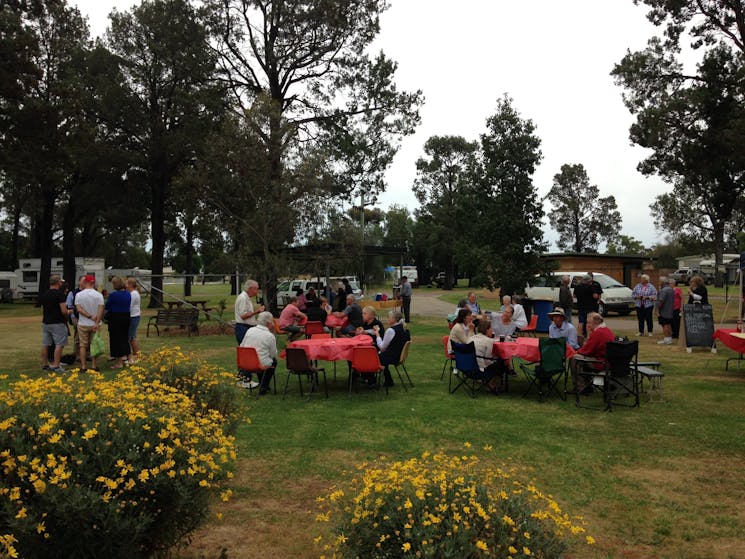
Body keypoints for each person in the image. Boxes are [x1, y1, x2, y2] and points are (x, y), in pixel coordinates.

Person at [569, 312, 615, 393]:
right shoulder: (606, 330)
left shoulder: (598, 332)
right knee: (580, 358)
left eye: (589, 322)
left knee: (574, 358)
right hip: (609, 361)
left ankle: (581, 387)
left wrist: (575, 352)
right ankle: (587, 384)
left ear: (595, 323)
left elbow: (586, 351)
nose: (588, 325)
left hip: (602, 363)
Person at [239, 311, 277, 395]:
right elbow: (273, 354)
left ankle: (263, 384)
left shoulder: (250, 330)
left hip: (245, 362)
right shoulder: (269, 336)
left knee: (263, 359)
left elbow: (242, 345)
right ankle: (264, 385)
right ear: (268, 323)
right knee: (273, 361)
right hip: (259, 364)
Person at [40, 274, 70, 372]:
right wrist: (69, 313)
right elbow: (64, 311)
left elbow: (42, 309)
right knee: (59, 344)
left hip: (46, 322)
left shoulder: (45, 294)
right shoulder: (59, 294)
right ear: (58, 283)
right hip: (57, 322)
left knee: (45, 344)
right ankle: (56, 365)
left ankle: (45, 365)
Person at [75, 274, 104, 372]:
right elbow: (100, 310)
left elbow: (79, 309)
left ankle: (83, 366)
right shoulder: (99, 295)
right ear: (93, 283)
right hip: (95, 324)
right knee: (94, 344)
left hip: (83, 323)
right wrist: (96, 322)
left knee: (83, 345)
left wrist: (89, 316)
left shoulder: (79, 295)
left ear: (85, 282)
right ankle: (94, 365)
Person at [374, 310, 410, 387]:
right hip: (399, 356)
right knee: (381, 355)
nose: (387, 319)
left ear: (394, 319)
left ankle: (370, 380)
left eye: (388, 317)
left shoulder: (391, 330)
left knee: (373, 356)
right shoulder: (405, 329)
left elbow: (382, 347)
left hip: (392, 357)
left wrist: (377, 335)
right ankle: (388, 380)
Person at [468, 320, 505, 394]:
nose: (492, 330)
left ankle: (488, 383)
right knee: (501, 363)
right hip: (478, 371)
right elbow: (488, 361)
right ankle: (492, 385)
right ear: (487, 330)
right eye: (491, 328)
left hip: (466, 368)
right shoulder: (489, 341)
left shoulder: (471, 338)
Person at [105, 276, 131, 369]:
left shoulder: (113, 295)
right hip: (126, 317)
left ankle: (119, 362)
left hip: (116, 318)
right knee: (124, 338)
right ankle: (129, 358)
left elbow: (107, 306)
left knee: (116, 340)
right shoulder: (128, 294)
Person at [234, 279, 265, 345]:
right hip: (243, 328)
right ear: (250, 289)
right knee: (245, 348)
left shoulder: (247, 298)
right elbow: (243, 316)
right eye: (256, 289)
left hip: (248, 328)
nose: (257, 292)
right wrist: (257, 311)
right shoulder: (243, 298)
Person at [66, 275, 86, 362]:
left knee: (87, 337)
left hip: (87, 318)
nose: (85, 282)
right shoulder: (73, 293)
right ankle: (77, 355)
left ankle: (87, 354)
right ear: (79, 282)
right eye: (83, 280)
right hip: (77, 318)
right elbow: (69, 306)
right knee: (78, 337)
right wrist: (73, 318)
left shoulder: (89, 292)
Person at [126, 277, 141, 364]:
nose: (125, 285)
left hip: (133, 316)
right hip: (134, 316)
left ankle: (137, 356)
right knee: (131, 337)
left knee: (132, 337)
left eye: (127, 284)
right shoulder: (133, 293)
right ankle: (136, 355)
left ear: (131, 285)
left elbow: (129, 306)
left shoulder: (133, 294)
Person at [656, 278, 674, 345]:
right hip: (670, 310)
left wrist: (657, 309)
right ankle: (669, 339)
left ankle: (666, 338)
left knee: (664, 324)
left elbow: (661, 300)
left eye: (659, 281)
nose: (659, 283)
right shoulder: (670, 289)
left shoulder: (663, 290)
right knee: (668, 324)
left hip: (664, 310)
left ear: (663, 282)